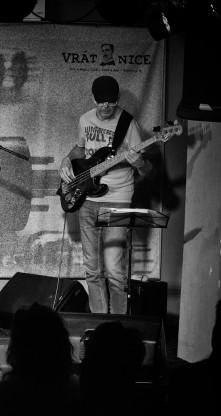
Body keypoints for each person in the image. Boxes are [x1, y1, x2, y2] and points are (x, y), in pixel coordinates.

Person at [59, 76, 152, 314]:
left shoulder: (129, 124)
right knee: (92, 269)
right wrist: (66, 160)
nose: (106, 106)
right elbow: (80, 149)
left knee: (114, 270)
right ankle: (98, 322)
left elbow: (146, 169)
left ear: (118, 99)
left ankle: (119, 323)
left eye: (111, 101)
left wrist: (139, 162)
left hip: (118, 199)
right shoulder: (85, 119)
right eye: (101, 102)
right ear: (93, 99)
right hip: (87, 199)